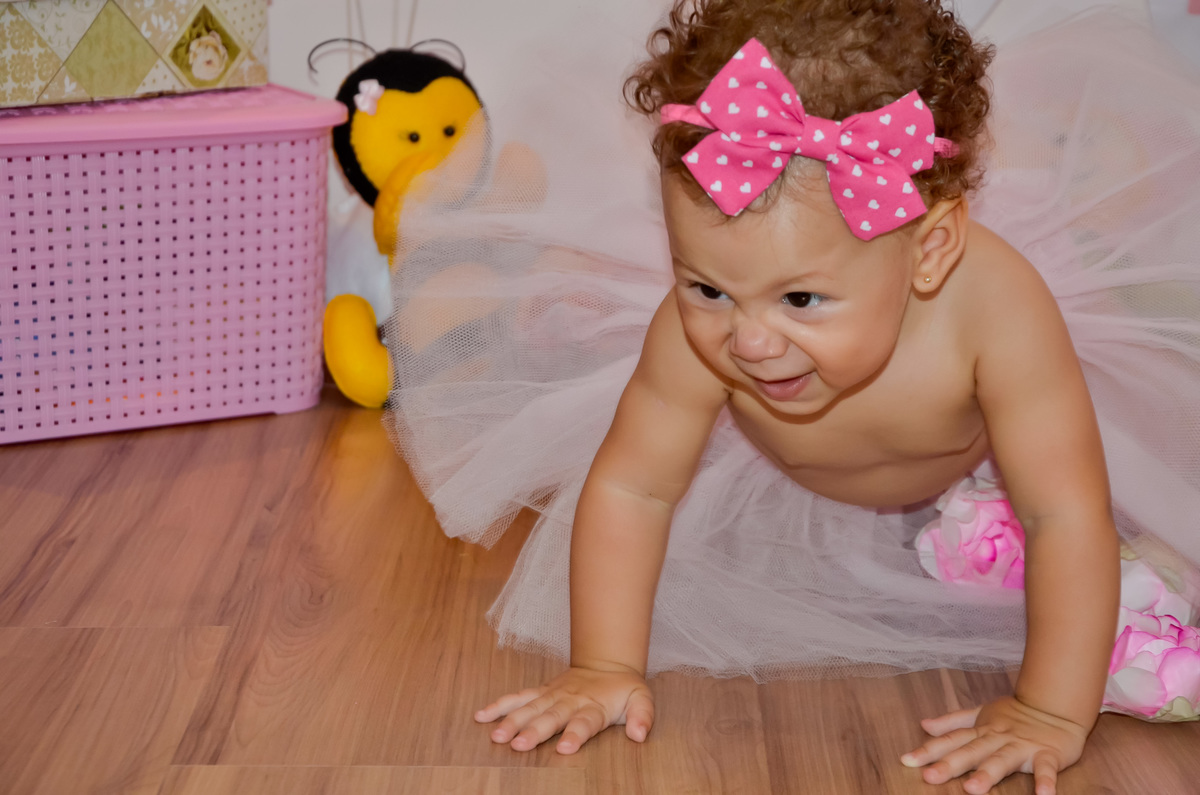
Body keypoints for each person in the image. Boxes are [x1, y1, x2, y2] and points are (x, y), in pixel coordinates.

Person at [384, 2, 1200, 793]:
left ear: (930, 251)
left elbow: (1062, 513)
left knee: (1074, 510)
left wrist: (1050, 709)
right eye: (704, 285)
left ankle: (980, 511)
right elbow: (635, 485)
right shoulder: (699, 329)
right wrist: (604, 665)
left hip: (969, 452)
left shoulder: (999, 314)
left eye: (800, 300)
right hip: (799, 468)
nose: (749, 341)